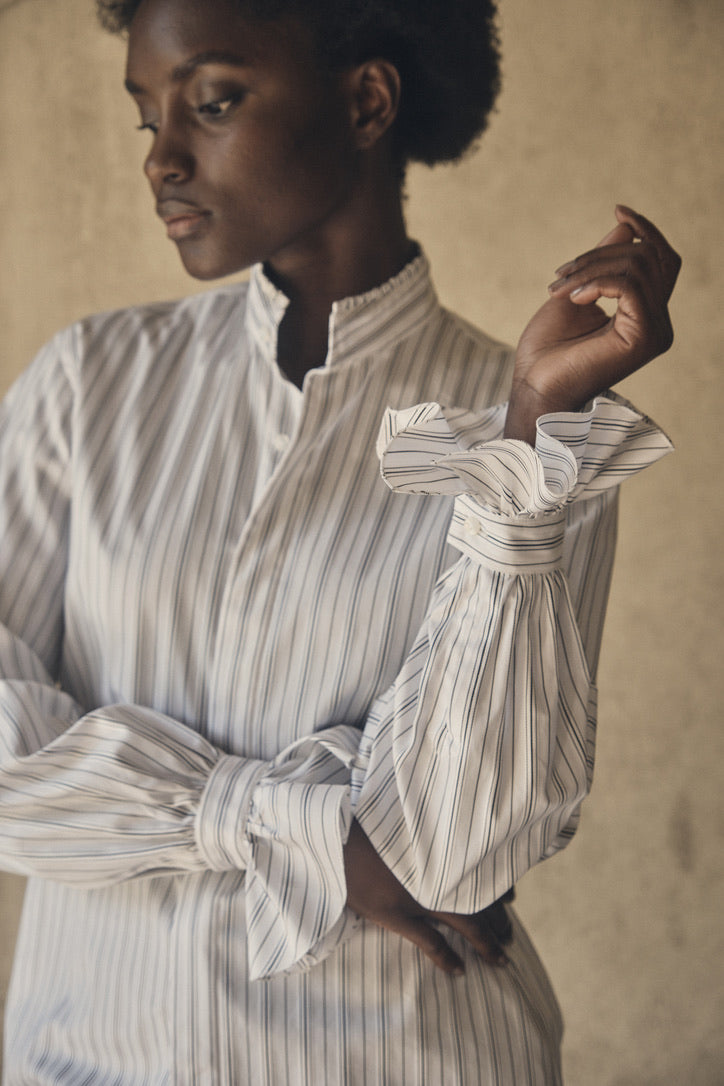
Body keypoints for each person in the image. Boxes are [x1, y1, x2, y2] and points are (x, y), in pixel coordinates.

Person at [0, 0, 680, 1081]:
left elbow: (459, 851)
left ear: (366, 100)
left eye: (211, 102)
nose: (162, 160)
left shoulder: (535, 435)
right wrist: (309, 830)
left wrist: (526, 440)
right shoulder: (86, 388)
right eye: (146, 119)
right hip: (88, 1057)